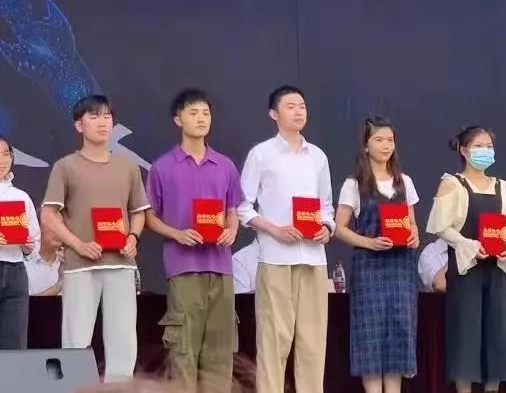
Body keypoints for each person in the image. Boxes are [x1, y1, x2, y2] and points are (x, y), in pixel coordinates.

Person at [41, 95, 150, 381]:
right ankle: (73, 387)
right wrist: (78, 244)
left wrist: (133, 237)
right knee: (76, 339)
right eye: (94, 117)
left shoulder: (127, 167)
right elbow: (49, 215)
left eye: (107, 117)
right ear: (79, 125)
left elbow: (138, 212)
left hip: (121, 264)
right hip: (81, 266)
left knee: (123, 340)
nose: (103, 123)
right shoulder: (66, 166)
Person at [237, 85, 334, 393]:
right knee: (274, 339)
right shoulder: (261, 154)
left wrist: (327, 227)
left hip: (313, 258)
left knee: (313, 342)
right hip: (276, 257)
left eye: (302, 106)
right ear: (273, 114)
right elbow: (243, 207)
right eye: (290, 106)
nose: (298, 111)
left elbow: (326, 206)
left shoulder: (317, 156)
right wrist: (274, 229)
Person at [145, 89, 243, 392]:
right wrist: (177, 233)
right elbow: (149, 217)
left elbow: (232, 211)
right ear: (178, 119)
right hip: (183, 268)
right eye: (193, 113)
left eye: (206, 113)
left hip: (221, 267)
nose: (201, 119)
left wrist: (231, 229)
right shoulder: (162, 167)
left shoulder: (225, 165)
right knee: (183, 350)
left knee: (220, 352)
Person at [426, 126, 506, 393]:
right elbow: (441, 227)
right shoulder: (452, 184)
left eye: (489, 146)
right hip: (466, 270)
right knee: (465, 336)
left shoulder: (500, 186)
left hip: (496, 270)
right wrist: (466, 244)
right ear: (464, 151)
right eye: (479, 146)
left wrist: (504, 246)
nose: (485, 151)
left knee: (498, 336)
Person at [334, 116, 420, 393]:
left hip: (401, 268)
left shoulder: (404, 182)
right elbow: (339, 228)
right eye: (379, 140)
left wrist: (414, 234)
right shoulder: (354, 183)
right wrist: (369, 243)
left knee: (399, 334)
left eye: (390, 140)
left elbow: (412, 222)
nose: (386, 146)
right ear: (365, 145)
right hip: (369, 268)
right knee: (370, 338)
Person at [0, 135, 40, 348]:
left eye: (6, 154)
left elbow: (34, 240)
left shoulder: (21, 196)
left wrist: (27, 246)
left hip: (15, 272)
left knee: (14, 343)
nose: (2, 160)